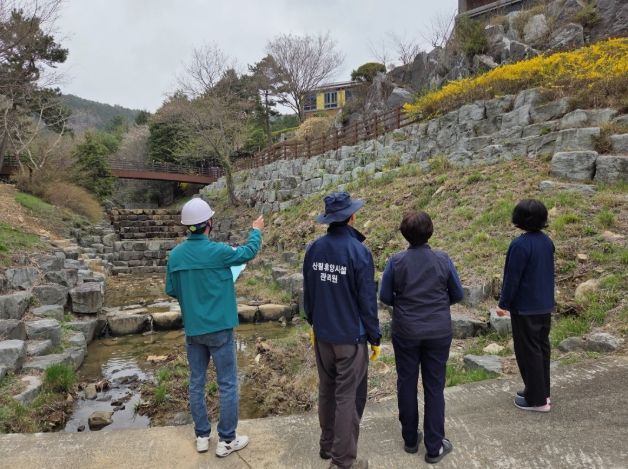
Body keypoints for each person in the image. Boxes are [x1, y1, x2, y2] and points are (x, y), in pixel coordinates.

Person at [165, 197, 264, 456]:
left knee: (196, 382)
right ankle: (227, 440)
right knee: (227, 383)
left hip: (193, 330)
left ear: (188, 226)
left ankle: (201, 436)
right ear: (208, 223)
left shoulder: (175, 256)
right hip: (220, 329)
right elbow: (247, 252)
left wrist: (193, 293)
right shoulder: (219, 251)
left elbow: (171, 290)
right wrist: (256, 230)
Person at [303, 191, 381, 469]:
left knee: (327, 390)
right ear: (352, 216)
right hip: (350, 338)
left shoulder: (314, 249)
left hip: (323, 336)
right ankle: (343, 461)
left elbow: (308, 294)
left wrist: (313, 323)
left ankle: (327, 446)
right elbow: (367, 301)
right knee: (347, 396)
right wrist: (375, 337)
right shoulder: (359, 252)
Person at [380, 210, 464, 465]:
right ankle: (434, 446)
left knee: (406, 382)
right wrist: (437, 304)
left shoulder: (396, 262)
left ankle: (409, 439)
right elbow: (457, 294)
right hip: (438, 331)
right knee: (434, 387)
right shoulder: (442, 259)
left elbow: (385, 297)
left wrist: (405, 304)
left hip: (406, 330)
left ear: (404, 234)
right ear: (431, 231)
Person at [496, 199, 554, 413]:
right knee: (541, 349)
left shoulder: (520, 245)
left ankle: (537, 401)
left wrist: (503, 303)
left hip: (525, 307)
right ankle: (541, 392)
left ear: (519, 219)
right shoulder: (547, 241)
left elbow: (512, 278)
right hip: (544, 305)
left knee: (528, 353)